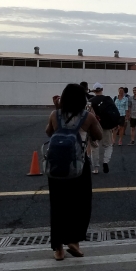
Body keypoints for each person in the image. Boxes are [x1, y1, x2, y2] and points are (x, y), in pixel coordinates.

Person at [45, 83, 103, 261]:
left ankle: (58, 249)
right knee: (80, 205)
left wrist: (58, 112)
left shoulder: (55, 115)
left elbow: (49, 133)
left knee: (58, 206)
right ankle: (74, 241)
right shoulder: (88, 117)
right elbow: (99, 135)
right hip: (79, 166)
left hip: (56, 168)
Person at [89, 83, 117, 174]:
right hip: (106, 126)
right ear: (102, 89)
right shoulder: (108, 99)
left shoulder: (90, 101)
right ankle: (105, 161)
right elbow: (114, 112)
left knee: (94, 147)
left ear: (94, 91)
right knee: (108, 145)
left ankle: (96, 168)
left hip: (94, 127)